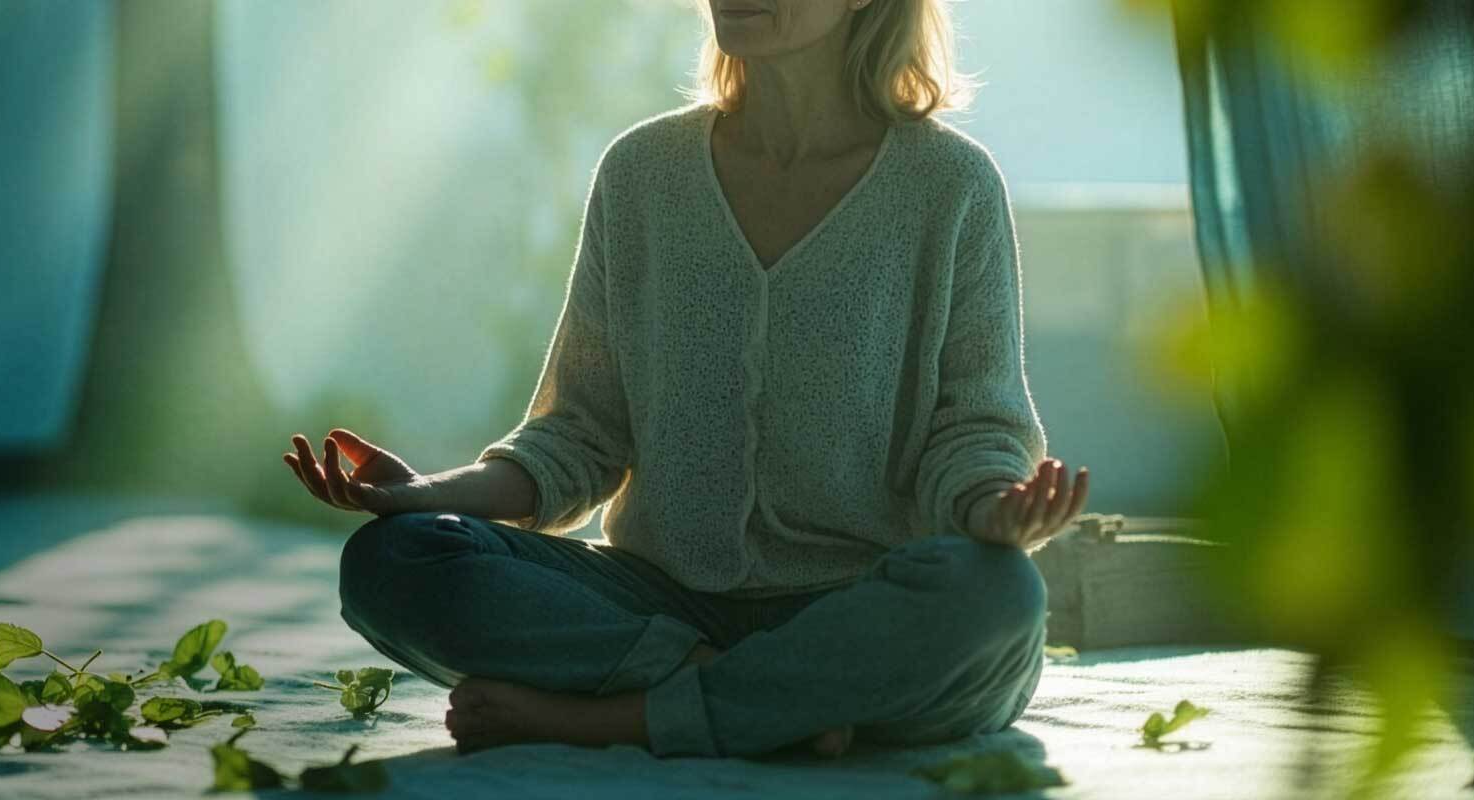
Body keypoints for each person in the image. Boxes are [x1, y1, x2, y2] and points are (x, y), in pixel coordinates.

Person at [281, 0, 1091, 759]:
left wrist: (993, 507)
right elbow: (580, 435)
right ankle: (765, 704)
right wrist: (429, 495)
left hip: (857, 603)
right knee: (391, 562)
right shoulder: (642, 174)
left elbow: (975, 428)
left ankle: (615, 716)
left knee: (998, 597)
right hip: (656, 603)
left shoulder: (951, 188)